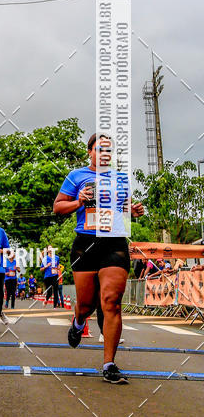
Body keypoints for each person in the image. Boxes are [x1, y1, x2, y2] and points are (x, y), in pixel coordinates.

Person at [53, 133, 144, 384]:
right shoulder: (76, 176)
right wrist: (78, 201)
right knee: (87, 304)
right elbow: (58, 207)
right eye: (99, 149)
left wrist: (133, 212)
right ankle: (79, 321)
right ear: (90, 152)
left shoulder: (121, 179)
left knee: (111, 302)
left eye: (108, 150)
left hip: (114, 243)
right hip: (85, 244)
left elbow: (124, 209)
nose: (104, 154)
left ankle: (109, 364)